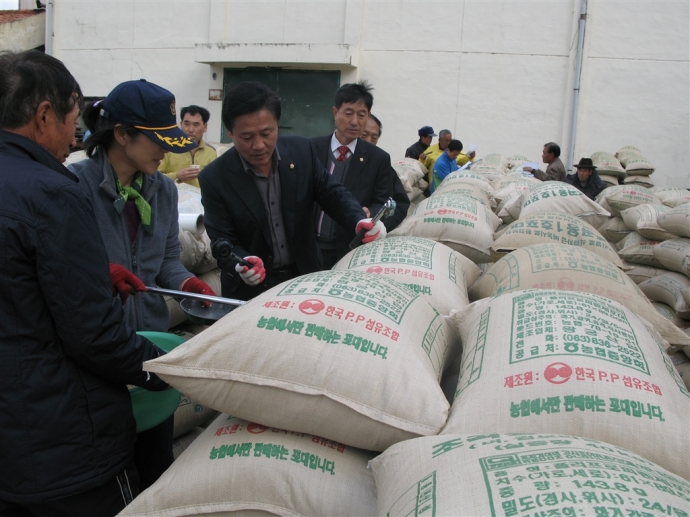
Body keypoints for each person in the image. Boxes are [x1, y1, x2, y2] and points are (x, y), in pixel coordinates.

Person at [0, 50, 168, 516]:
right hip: (62, 446)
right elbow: (92, 333)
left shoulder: (162, 189)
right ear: (44, 114)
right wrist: (168, 369)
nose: (77, 133)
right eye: (74, 118)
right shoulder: (53, 191)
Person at [68, 79, 216, 491]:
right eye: (157, 141)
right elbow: (58, 269)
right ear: (120, 134)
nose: (166, 151)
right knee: (104, 471)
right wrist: (102, 273)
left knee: (155, 461)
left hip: (149, 349)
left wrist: (188, 283)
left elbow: (168, 261)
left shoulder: (164, 190)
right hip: (97, 352)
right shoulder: (74, 187)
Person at [199, 81, 386, 301]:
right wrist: (242, 262)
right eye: (247, 137)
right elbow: (222, 240)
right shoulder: (215, 178)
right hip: (252, 291)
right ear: (230, 132)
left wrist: (357, 219)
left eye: (266, 133)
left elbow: (331, 193)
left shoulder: (301, 152)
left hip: (303, 277)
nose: (259, 145)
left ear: (277, 124)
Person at [311, 82, 409, 268]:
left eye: (361, 115)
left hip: (349, 250)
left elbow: (384, 200)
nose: (355, 121)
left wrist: (371, 214)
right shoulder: (311, 149)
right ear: (335, 113)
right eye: (348, 113)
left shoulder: (377, 159)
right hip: (308, 247)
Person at [158, 105, 217, 187]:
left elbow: (215, 182)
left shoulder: (211, 152)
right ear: (181, 124)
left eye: (196, 125)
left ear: (205, 127)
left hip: (200, 198)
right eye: (187, 124)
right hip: (173, 197)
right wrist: (177, 176)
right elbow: (154, 177)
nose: (191, 130)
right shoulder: (168, 148)